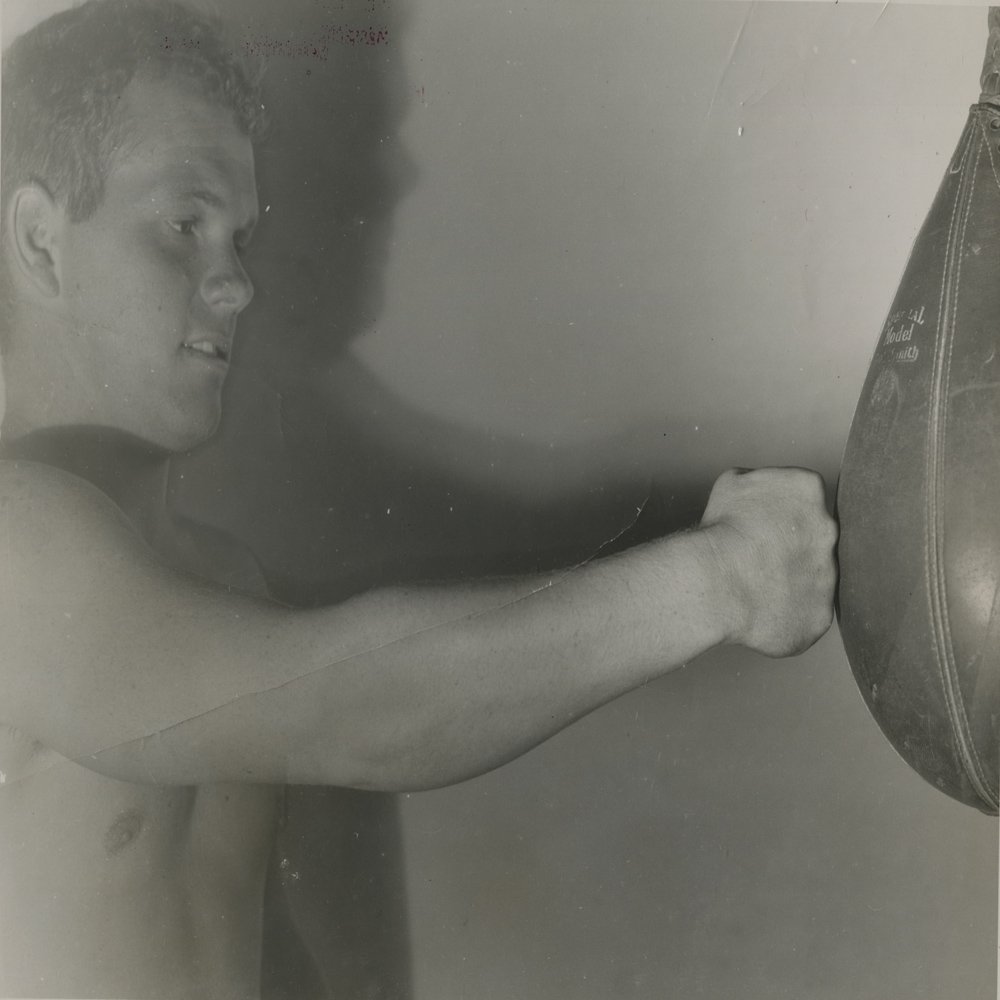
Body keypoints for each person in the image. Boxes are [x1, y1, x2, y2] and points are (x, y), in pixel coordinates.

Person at [0, 1, 838, 997]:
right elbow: (353, 711)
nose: (236, 286)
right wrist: (720, 582)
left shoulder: (212, 575)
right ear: (41, 241)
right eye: (185, 224)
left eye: (241, 238)